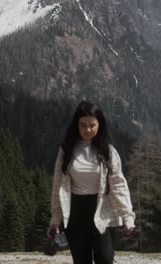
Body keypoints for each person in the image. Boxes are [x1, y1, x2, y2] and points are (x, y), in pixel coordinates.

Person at [47, 100, 135, 264]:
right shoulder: (66, 150)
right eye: (83, 125)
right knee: (81, 261)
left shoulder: (108, 152)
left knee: (105, 258)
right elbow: (58, 187)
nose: (87, 130)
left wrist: (127, 216)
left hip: (103, 210)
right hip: (75, 213)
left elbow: (119, 185)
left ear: (99, 125)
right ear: (76, 125)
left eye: (92, 125)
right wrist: (55, 220)